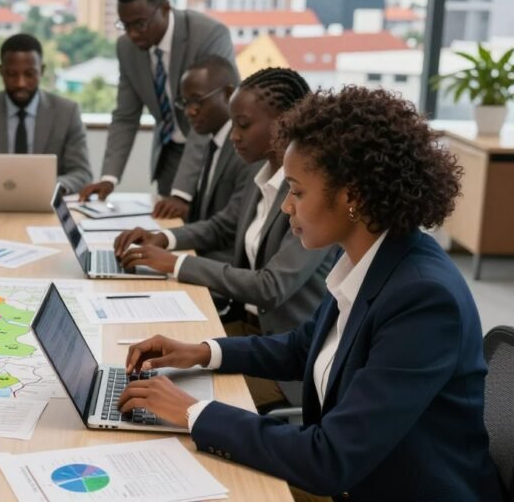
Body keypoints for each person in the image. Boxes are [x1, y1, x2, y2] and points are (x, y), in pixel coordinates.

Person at [116, 86, 505, 501]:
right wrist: (201, 352)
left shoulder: (424, 299)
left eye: (297, 192)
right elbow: (303, 347)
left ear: (352, 196)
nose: (287, 208)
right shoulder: (370, 261)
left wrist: (193, 411)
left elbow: (331, 459)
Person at [114, 68, 333, 408]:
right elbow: (223, 225)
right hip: (247, 333)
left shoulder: (311, 199)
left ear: (284, 123)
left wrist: (179, 263)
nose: (233, 136)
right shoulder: (262, 177)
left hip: (286, 366)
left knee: (163, 397)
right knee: (140, 355)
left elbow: (270, 286)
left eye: (244, 125)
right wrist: (165, 238)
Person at [78, 0, 236, 219]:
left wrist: (182, 193)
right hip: (168, 154)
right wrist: (109, 178)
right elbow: (126, 116)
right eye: (125, 25)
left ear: (164, 8)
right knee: (168, 229)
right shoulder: (127, 48)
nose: (132, 33)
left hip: (212, 151)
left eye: (139, 24)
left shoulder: (208, 35)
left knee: (209, 229)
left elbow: (209, 114)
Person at [0, 33, 92, 194]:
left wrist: (52, 187)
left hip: (46, 207)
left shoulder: (67, 113)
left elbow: (82, 173)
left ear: (41, 70)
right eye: (12, 74)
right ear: (1, 71)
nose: (21, 83)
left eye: (29, 74)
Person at [174, 55, 256, 264]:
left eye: (197, 101)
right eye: (185, 103)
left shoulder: (246, 150)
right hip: (205, 255)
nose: (190, 111)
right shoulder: (211, 142)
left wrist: (170, 242)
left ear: (228, 94)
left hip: (226, 264)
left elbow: (228, 226)